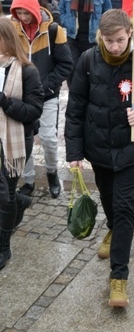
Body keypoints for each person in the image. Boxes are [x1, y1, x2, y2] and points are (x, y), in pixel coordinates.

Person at [64, 10, 134, 307]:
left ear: (130, 34)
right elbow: (76, 107)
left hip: (131, 151)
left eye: (120, 40)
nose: (115, 47)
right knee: (109, 201)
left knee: (124, 208)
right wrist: (74, 153)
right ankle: (110, 228)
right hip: (99, 149)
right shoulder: (88, 60)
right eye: (109, 41)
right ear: (101, 37)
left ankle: (118, 278)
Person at [10, 0, 72, 199]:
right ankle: (28, 180)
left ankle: (52, 173)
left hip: (47, 95)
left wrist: (47, 85)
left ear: (35, 10)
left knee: (48, 139)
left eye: (26, 12)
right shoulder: (11, 29)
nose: (23, 17)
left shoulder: (54, 30)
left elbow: (65, 64)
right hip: (21, 97)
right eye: (19, 13)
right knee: (24, 139)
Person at [0, 19, 44, 270]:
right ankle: (20, 200)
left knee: (3, 195)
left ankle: (3, 245)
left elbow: (33, 111)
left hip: (15, 142)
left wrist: (5, 102)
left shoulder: (27, 71)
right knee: (5, 193)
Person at [59, 0, 112, 82]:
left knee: (90, 69)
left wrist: (101, 28)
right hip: (73, 37)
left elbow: (108, 14)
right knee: (72, 68)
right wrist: (65, 21)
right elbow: (61, 10)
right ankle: (73, 95)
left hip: (92, 38)